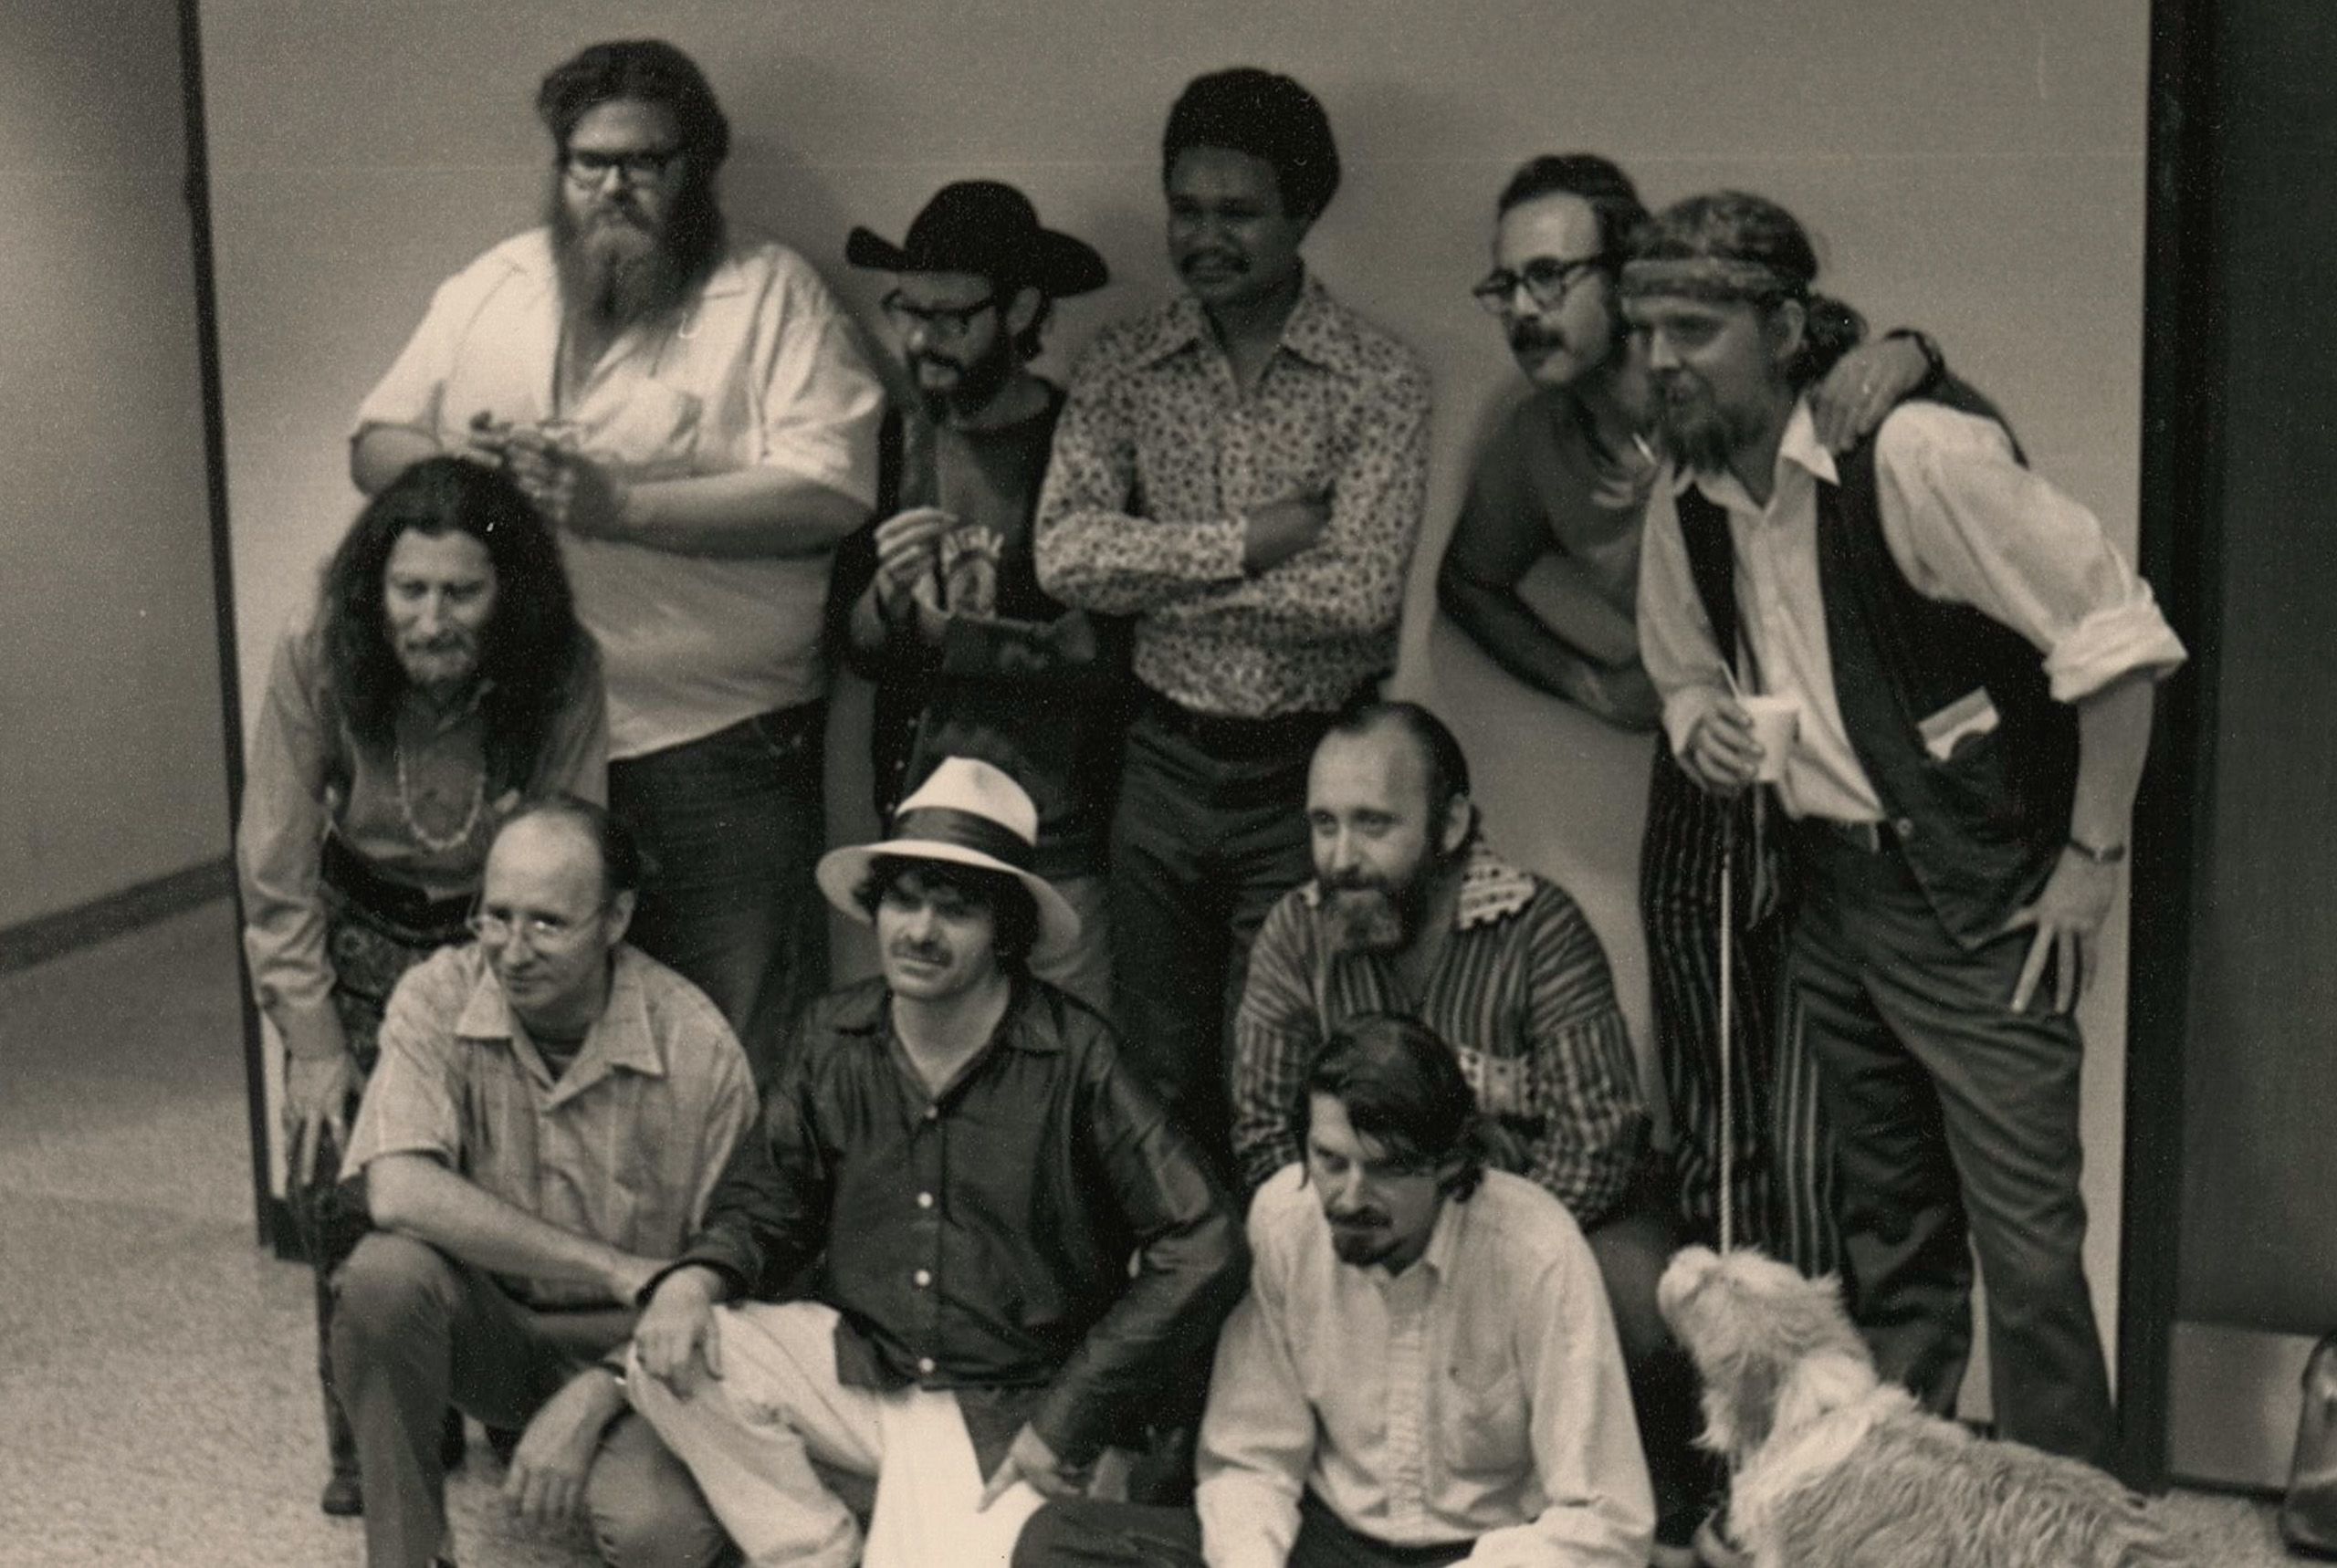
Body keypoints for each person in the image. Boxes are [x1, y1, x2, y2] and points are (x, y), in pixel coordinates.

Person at [1628, 190, 2186, 1469]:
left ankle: (2076, 1530)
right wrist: (1698, 717)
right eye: (1648, 328)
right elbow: (1680, 671)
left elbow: (2119, 644)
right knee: (1889, 1235)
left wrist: (2089, 865)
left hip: (1984, 899)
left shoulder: (1916, 456)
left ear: (1783, 328)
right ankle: (1898, 1513)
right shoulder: (1687, 496)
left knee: (2032, 1257)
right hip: (1832, 891)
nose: (1663, 359)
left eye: (1697, 326)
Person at [1436, 153, 1941, 1274]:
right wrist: (1597, 685)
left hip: (1848, 783)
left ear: (1632, 278)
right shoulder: (1536, 441)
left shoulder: (1762, 373)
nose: (1522, 308)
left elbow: (1890, 369)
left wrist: (1912, 354)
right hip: (1704, 773)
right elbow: (1469, 586)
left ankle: (1850, 1398)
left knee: (1847, 1108)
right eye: (1504, 285)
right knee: (1717, 1096)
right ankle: (1733, 1407)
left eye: (1550, 276)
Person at [351, 38, 885, 1082]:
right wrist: (475, 476)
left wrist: (624, 505)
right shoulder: (494, 286)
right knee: (554, 1033)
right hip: (528, 730)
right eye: (588, 162)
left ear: (699, 170)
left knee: (737, 1036)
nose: (613, 187)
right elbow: (373, 442)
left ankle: (744, 1249)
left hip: (715, 739)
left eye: (645, 162)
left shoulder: (770, 295)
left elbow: (832, 491)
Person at [622, 757, 1247, 1568]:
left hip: (1009, 1408)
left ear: (1006, 936)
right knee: (669, 1350)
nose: (919, 931)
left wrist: (1070, 1417)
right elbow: (766, 1198)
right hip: (867, 1372)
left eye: (955, 911)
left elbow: (1203, 1240)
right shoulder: (833, 1036)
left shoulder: (1075, 1055)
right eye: (904, 901)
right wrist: (693, 1279)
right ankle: (812, 1550)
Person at [1034, 67, 1433, 1164]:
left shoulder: (1377, 378)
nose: (1205, 237)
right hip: (1158, 764)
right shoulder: (1123, 364)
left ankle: (1290, 1314)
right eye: (1187, 209)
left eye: (1239, 212)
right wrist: (1244, 544)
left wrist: (1158, 575)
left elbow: (1361, 594)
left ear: (1303, 214)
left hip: (1308, 779)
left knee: (1293, 1061)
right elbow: (1066, 555)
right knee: (1159, 1071)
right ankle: (1189, 1314)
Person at [1228, 699, 1708, 1561]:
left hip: (1536, 1230)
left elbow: (1598, 1137)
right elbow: (1266, 1132)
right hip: (1368, 1218)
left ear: (1450, 824)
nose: (1342, 858)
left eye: (1374, 824)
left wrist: (1477, 1250)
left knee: (1632, 1285)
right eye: (1324, 825)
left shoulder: (1540, 928)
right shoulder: (1296, 935)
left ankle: (1648, 1526)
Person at [236, 455, 606, 1516]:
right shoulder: (316, 652)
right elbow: (273, 863)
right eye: (410, 589)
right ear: (375, 589)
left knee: (504, 1174)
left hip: (504, 935)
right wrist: (313, 1039)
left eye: (462, 590)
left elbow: (574, 844)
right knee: (343, 1184)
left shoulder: (561, 665)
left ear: (509, 596)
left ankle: (517, 1408)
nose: (431, 616)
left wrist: (523, 1003)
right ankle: (380, 1438)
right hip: (353, 934)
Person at [1016, 1013, 1655, 1568]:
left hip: (1489, 1553)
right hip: (1324, 1544)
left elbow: (1606, 1520)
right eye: (1329, 1160)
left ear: (1451, 1166)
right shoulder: (1283, 1217)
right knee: (1058, 1543)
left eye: (1385, 1170)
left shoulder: (1536, 1247)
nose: (1349, 1197)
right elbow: (1251, 1461)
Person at [330, 797, 758, 1568]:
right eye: (496, 916)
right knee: (382, 1279)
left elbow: (736, 1291)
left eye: (547, 924)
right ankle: (408, 1556)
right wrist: (612, 1266)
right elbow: (395, 1190)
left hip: (643, 1355)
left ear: (617, 919)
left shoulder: (699, 1048)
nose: (512, 950)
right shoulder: (438, 995)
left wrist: (597, 1393)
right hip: (493, 1325)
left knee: (658, 1534)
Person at [827, 180, 1128, 1009]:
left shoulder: (1082, 446)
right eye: (907, 310)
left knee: (1067, 1070)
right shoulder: (900, 439)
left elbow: (1103, 654)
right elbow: (858, 646)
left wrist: (946, 634)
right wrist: (888, 599)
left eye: (952, 319)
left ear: (1023, 309)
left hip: (1056, 840)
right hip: (925, 833)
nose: (923, 340)